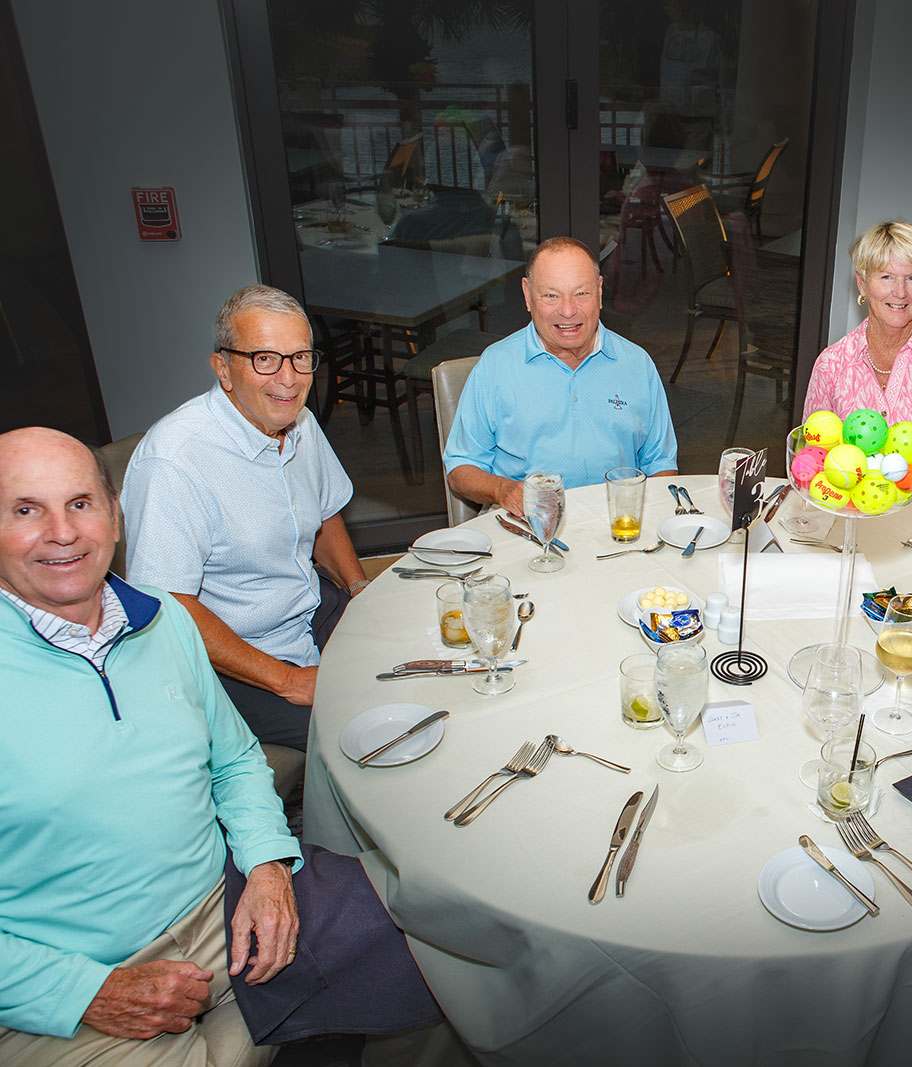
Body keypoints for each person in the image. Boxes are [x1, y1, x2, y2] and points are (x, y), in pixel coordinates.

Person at [0, 428, 441, 1066]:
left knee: (438, 944)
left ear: (115, 516)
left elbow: (233, 761)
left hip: (221, 901)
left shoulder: (164, 619)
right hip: (68, 971)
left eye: (79, 504)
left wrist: (266, 866)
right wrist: (82, 991)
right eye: (25, 510)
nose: (62, 533)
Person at [121, 285, 369, 751]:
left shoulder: (298, 421)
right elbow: (168, 605)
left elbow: (324, 513)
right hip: (233, 660)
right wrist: (289, 681)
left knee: (415, 664)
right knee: (360, 733)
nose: (289, 379)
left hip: (307, 608)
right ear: (223, 369)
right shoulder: (174, 460)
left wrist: (358, 590)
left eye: (300, 358)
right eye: (265, 359)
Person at [443, 236, 679, 516]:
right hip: (526, 524)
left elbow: (661, 464)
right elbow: (460, 468)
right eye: (551, 296)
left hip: (616, 523)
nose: (568, 311)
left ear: (599, 291)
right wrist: (502, 490)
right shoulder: (495, 365)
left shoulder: (637, 364)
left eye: (581, 293)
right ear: (527, 295)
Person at [804, 221, 912, 517]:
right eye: (886, 276)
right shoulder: (831, 364)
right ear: (862, 283)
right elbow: (814, 456)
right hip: (847, 515)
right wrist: (856, 512)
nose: (900, 292)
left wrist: (886, 514)